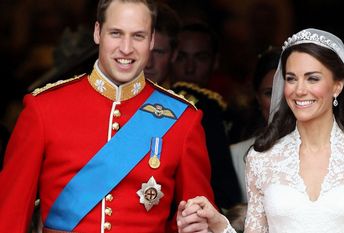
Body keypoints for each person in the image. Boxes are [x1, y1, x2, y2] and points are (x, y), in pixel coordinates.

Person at [0, 0, 215, 232]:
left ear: (152, 40)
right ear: (97, 33)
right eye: (116, 33)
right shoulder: (43, 108)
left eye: (138, 36)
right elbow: (10, 216)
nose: (126, 48)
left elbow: (197, 222)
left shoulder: (182, 120)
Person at [177, 28, 344, 233]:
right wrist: (219, 224)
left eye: (312, 78)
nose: (300, 90)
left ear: (338, 85)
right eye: (291, 79)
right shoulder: (262, 159)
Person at [171, 22, 242, 210]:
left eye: (200, 58)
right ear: (170, 58)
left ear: (215, 61)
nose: (189, 68)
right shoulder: (161, 110)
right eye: (181, 57)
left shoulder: (225, 115)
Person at [229, 46, 280, 203]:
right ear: (257, 98)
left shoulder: (321, 151)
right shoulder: (236, 155)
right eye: (270, 94)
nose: (278, 102)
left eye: (284, 91)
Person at [144, 2, 181, 88]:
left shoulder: (187, 101)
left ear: (174, 55)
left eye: (158, 52)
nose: (148, 64)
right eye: (142, 50)